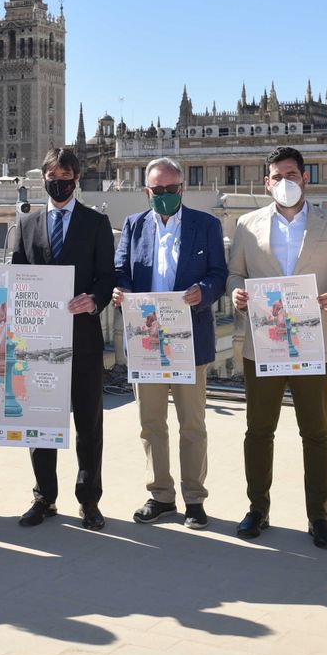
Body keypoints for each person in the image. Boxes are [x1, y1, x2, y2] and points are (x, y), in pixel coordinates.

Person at [227, 147, 327, 548]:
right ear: (266, 181)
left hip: (313, 344)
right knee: (258, 430)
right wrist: (236, 293)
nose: (284, 183)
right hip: (263, 344)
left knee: (317, 433)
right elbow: (236, 273)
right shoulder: (247, 225)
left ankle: (319, 517)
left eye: (291, 175)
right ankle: (257, 509)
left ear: (305, 178)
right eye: (276, 177)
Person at [113, 157, 228, 530]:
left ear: (182, 189)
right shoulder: (133, 225)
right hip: (146, 341)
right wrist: (122, 293)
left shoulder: (206, 225)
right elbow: (120, 271)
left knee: (192, 424)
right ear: (147, 191)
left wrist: (204, 292)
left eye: (171, 190)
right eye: (157, 190)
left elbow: (219, 274)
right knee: (151, 423)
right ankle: (160, 495)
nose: (164, 196)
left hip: (189, 341)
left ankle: (194, 499)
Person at [12, 148, 117, 531]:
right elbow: (17, 277)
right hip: (38, 343)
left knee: (88, 421)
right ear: (43, 179)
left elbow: (108, 276)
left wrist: (94, 299)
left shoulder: (96, 222)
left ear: (76, 178)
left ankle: (89, 500)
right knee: (40, 421)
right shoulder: (27, 224)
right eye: (53, 175)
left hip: (84, 339)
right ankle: (44, 496)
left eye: (66, 175)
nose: (60, 181)